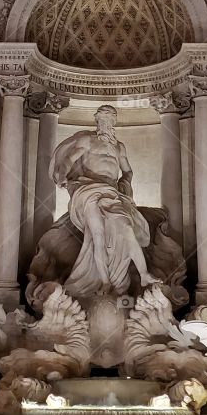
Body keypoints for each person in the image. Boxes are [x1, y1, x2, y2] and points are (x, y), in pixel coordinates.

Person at [49, 104, 156, 300]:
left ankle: (144, 275)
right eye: (102, 119)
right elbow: (69, 159)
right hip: (88, 189)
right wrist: (62, 175)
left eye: (110, 119)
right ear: (97, 120)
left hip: (112, 192)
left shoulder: (119, 146)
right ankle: (105, 282)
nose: (106, 123)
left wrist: (125, 182)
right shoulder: (87, 140)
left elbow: (128, 170)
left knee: (127, 229)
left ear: (114, 122)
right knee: (96, 235)